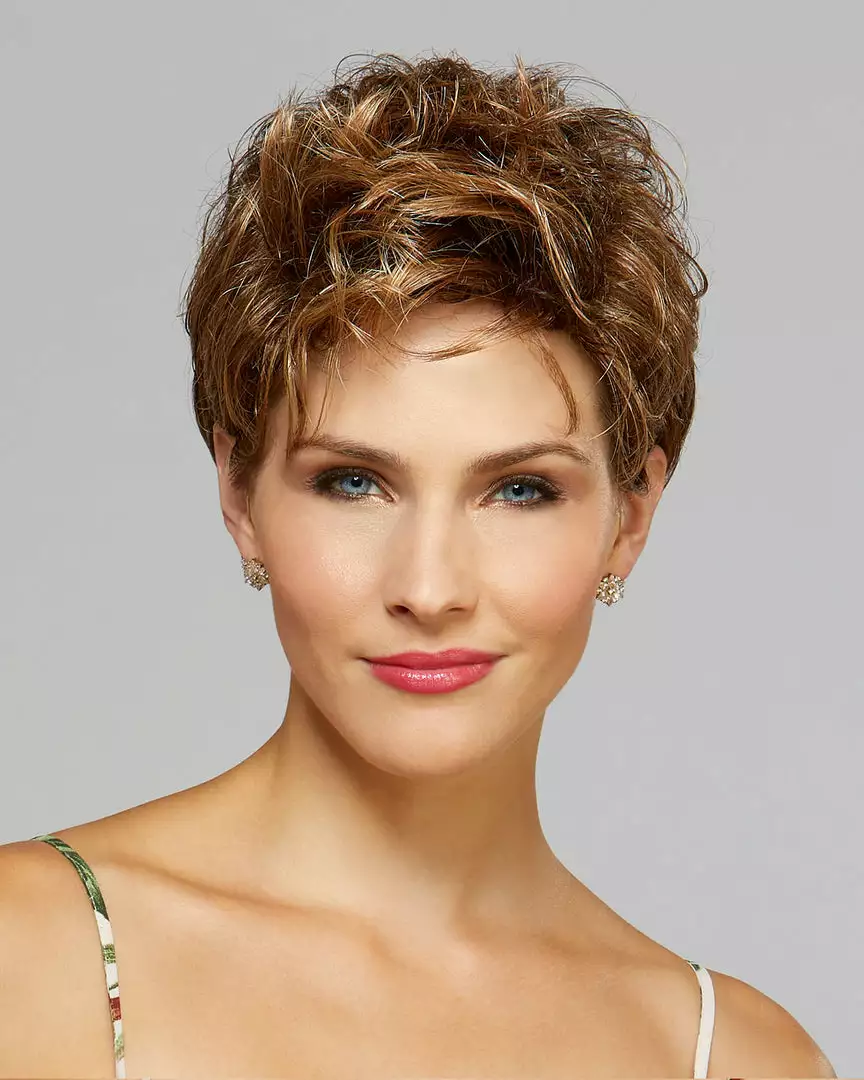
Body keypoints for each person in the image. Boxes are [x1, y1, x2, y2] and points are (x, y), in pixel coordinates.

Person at [0, 52, 836, 1079]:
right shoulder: (29, 959)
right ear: (240, 495)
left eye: (519, 490)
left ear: (630, 515)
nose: (430, 589)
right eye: (354, 483)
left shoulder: (734, 1056)